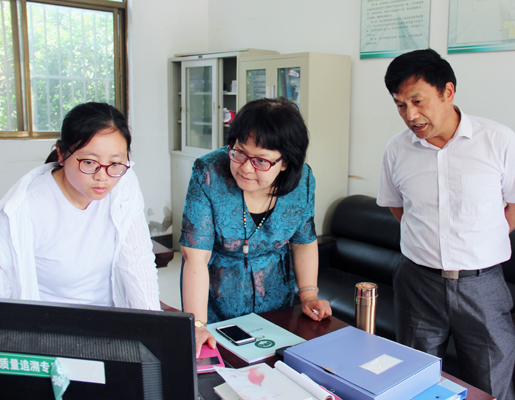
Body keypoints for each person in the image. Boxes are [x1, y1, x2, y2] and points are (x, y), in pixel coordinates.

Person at [377, 49, 515, 400]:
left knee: (491, 386)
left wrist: (480, 240)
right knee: (414, 381)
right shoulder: (397, 149)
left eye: (417, 101)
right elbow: (397, 206)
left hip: (481, 285)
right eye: (400, 105)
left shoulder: (497, 140)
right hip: (417, 283)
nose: (410, 115)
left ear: (447, 91)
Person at [180, 98, 332, 355]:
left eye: (261, 161)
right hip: (217, 302)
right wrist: (197, 325)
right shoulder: (208, 173)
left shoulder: (302, 181)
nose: (246, 168)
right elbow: (195, 257)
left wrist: (308, 295)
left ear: (286, 162)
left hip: (277, 303)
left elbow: (303, 241)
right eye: (239, 152)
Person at [0, 102, 160, 310]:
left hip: (111, 317)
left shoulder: (123, 181)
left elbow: (137, 259)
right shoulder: (22, 210)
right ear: (61, 154)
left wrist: (154, 322)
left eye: (115, 163)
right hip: (51, 323)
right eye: (89, 162)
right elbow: (5, 292)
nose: (102, 177)